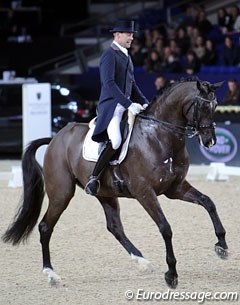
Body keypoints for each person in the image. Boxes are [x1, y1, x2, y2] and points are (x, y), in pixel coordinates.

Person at [85, 19, 149, 196]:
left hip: (125, 107)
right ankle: (94, 178)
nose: (131, 38)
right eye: (128, 34)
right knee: (116, 141)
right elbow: (109, 83)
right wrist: (129, 104)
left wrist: (145, 103)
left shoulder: (126, 55)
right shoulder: (109, 54)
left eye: (132, 34)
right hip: (112, 107)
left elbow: (132, 84)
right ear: (117, 35)